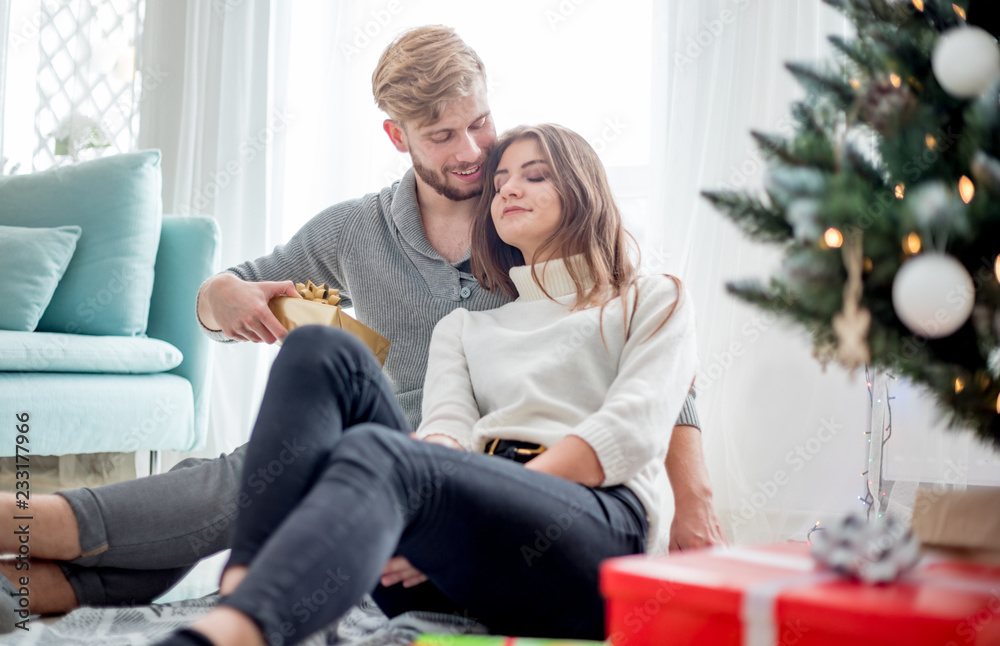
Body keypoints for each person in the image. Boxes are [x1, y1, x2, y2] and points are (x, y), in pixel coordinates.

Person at [0, 26, 722, 630]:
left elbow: (654, 372)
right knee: (290, 421)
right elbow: (237, 288)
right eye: (442, 136)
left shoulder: (549, 217)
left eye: (479, 125)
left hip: (498, 483)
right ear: (397, 135)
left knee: (270, 482)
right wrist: (221, 296)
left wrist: (694, 502)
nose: (475, 155)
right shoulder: (358, 233)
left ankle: (58, 540)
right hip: (393, 447)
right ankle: (83, 571)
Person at [156, 122, 700, 646]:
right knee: (321, 348)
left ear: (584, 192)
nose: (509, 187)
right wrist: (438, 509)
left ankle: (239, 631)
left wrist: (449, 500)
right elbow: (445, 431)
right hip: (451, 573)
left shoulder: (652, 298)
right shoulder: (465, 327)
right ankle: (243, 588)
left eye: (534, 175)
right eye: (501, 179)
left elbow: (631, 431)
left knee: (382, 456)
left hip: (588, 545)